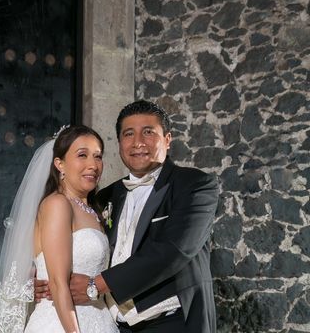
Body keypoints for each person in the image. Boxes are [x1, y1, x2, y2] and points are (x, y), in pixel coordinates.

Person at [36, 100, 219, 333]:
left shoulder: (194, 185)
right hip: (113, 325)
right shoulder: (104, 197)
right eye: (129, 134)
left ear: (168, 139)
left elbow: (173, 250)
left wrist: (96, 285)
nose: (138, 142)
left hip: (171, 323)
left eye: (149, 132)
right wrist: (37, 281)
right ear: (120, 143)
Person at [0, 125, 118, 333]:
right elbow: (59, 283)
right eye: (82, 155)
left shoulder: (93, 210)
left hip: (100, 320)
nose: (93, 165)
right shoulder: (57, 204)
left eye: (97, 156)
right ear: (60, 164)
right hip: (62, 323)